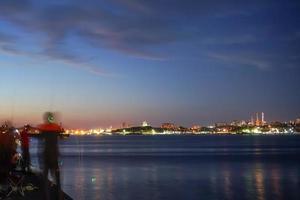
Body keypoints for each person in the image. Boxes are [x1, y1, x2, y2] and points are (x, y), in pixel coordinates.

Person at [37, 112, 63, 200]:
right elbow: (61, 132)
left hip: (46, 157)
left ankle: (47, 197)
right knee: (57, 180)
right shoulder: (56, 129)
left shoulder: (44, 129)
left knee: (45, 180)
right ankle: (59, 197)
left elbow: (41, 141)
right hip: (54, 157)